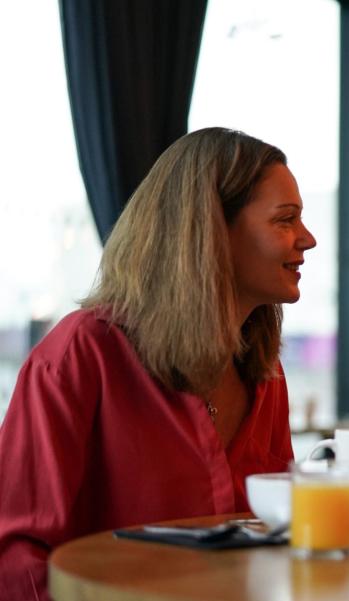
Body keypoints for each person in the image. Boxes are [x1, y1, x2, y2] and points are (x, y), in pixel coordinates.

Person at [0, 127, 317, 599]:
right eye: (285, 219)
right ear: (209, 230)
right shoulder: (82, 354)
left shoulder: (264, 372)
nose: (307, 239)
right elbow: (15, 555)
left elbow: (272, 536)